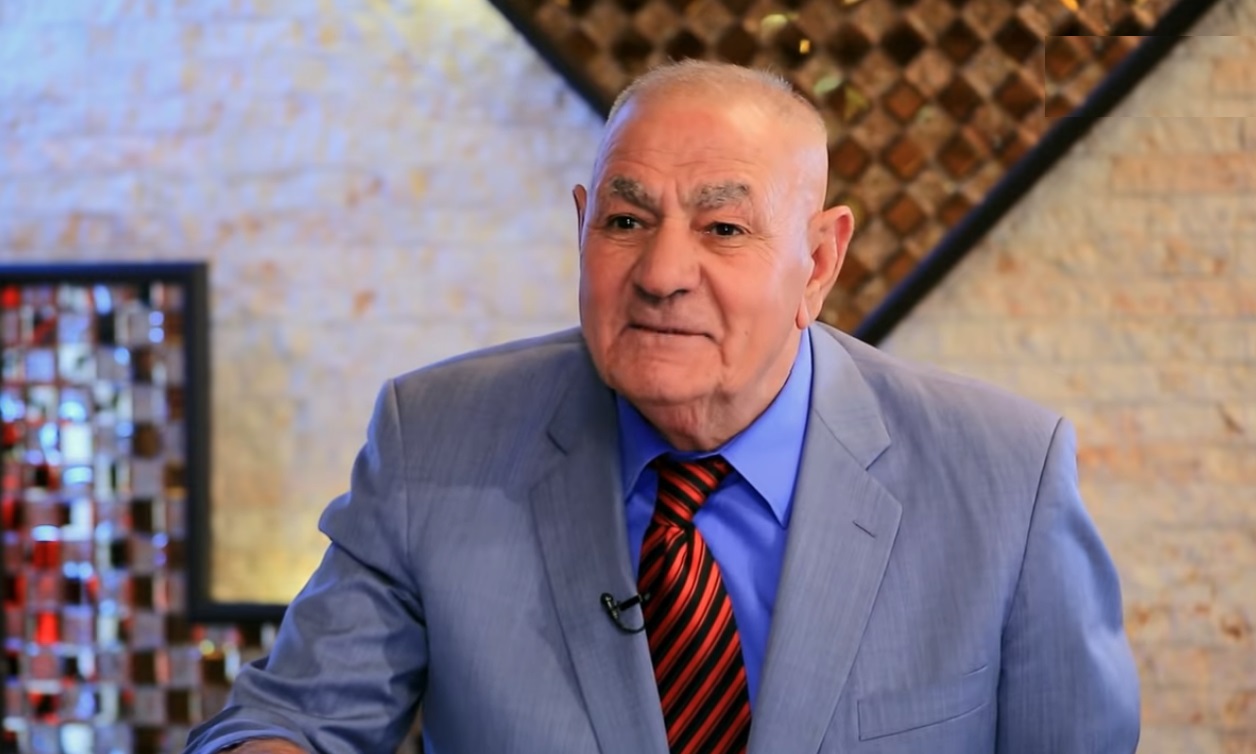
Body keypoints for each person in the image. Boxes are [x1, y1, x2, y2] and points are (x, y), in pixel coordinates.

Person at [186, 61, 1139, 754]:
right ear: (582, 227)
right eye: (627, 220)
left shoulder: (1006, 480)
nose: (662, 272)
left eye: (723, 227)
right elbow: (291, 718)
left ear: (818, 262)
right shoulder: (432, 440)